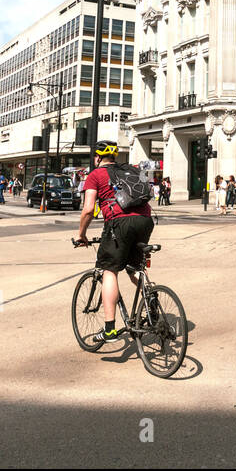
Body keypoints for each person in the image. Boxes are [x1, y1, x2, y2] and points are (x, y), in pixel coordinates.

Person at [77, 141, 155, 345]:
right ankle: (151, 298)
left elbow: (87, 210)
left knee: (109, 270)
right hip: (146, 221)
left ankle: (110, 329)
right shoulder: (132, 169)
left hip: (119, 223)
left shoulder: (95, 175)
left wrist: (81, 234)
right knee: (134, 267)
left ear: (97, 158)